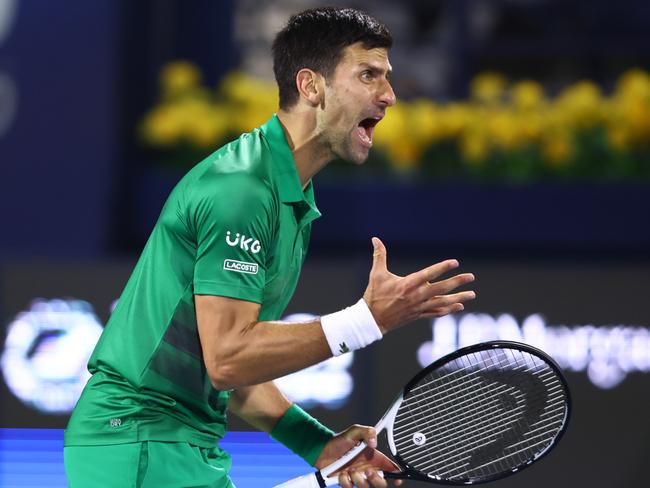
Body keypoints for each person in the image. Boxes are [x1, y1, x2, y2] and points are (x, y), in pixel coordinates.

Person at [64, 7, 475, 488]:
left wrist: (317, 444)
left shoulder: (287, 194)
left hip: (171, 443)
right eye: (369, 75)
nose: (389, 95)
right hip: (139, 440)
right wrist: (367, 320)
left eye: (387, 77)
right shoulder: (241, 190)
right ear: (311, 86)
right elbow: (228, 358)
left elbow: (230, 363)